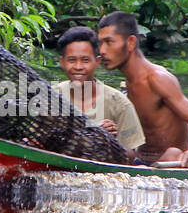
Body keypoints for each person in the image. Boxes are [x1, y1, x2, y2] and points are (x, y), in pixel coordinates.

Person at [96, 12, 188, 167]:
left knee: (173, 154)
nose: (102, 51)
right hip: (141, 161)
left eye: (109, 42)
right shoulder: (127, 85)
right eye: (100, 43)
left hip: (171, 163)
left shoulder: (157, 78)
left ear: (130, 43)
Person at [54, 26, 145, 157]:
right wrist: (90, 131)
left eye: (85, 60)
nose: (78, 67)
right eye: (72, 60)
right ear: (62, 63)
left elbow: (130, 156)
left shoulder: (119, 103)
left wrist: (107, 141)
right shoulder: (51, 97)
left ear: (97, 62)